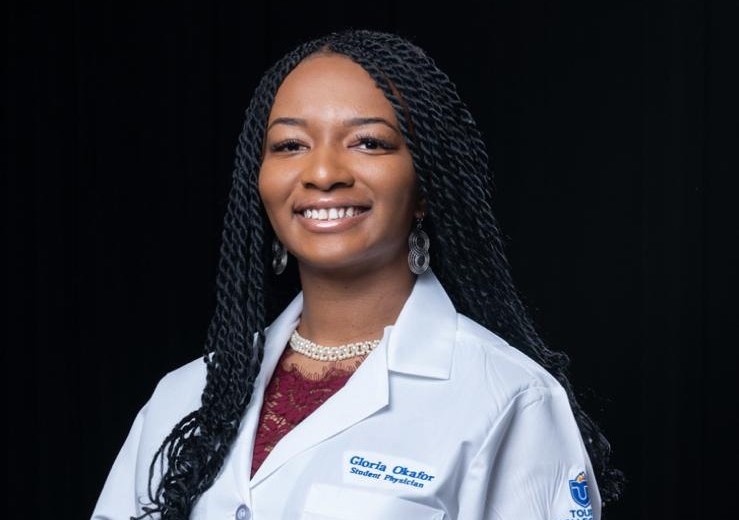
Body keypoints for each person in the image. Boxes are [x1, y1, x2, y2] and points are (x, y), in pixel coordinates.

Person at [91, 29, 622, 520]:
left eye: (369, 142)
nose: (323, 173)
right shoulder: (184, 397)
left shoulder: (509, 398)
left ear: (425, 185)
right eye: (290, 145)